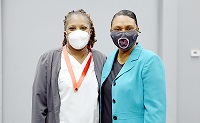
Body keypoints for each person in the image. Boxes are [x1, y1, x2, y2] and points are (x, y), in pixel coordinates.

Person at [32, 9, 106, 123]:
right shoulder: (48, 60)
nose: (78, 32)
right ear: (65, 33)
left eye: (83, 28)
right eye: (72, 28)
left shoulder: (101, 60)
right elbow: (39, 104)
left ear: (90, 32)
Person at [100, 10, 166, 123]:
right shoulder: (108, 59)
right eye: (117, 29)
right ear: (111, 32)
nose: (123, 33)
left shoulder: (149, 61)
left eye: (129, 28)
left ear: (137, 30)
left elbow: (156, 111)